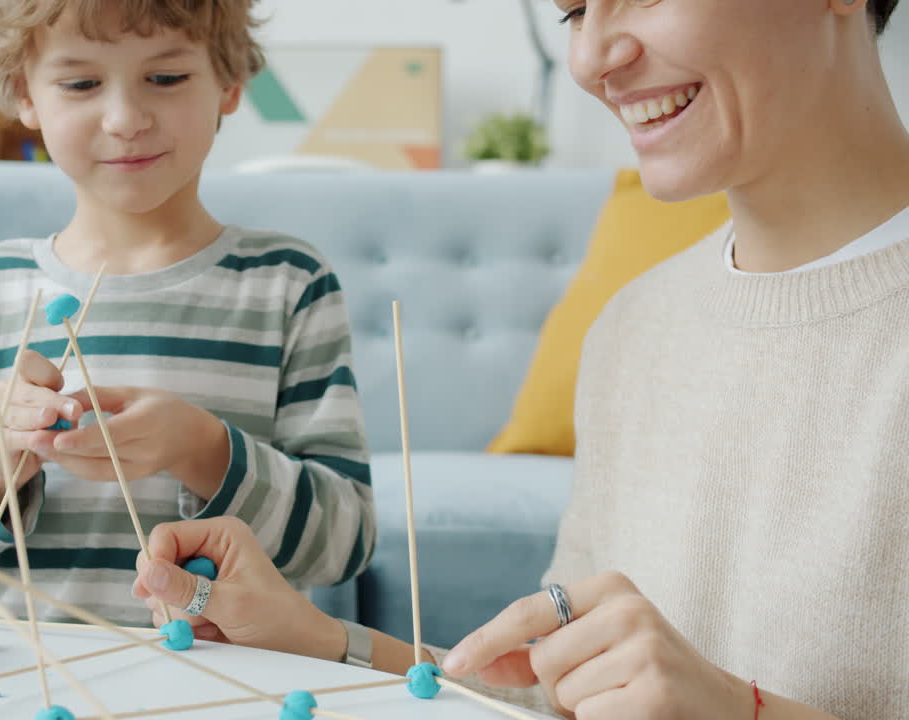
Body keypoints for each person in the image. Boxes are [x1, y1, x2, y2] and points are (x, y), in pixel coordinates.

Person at [131, 0, 909, 717]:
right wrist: (315, 641)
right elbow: (554, 699)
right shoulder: (632, 330)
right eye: (574, 9)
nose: (592, 56)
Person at [0, 0, 375, 627]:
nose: (125, 119)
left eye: (167, 78)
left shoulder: (288, 283)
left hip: (229, 684)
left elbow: (344, 544)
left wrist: (205, 449)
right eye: (81, 83)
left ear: (228, 82)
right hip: (29, 682)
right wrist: (2, 466)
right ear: (24, 93)